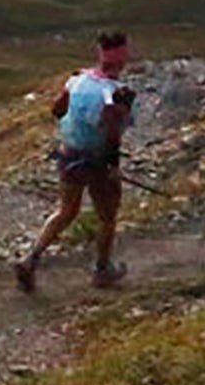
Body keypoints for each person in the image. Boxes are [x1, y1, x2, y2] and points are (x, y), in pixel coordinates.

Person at [15, 30, 135, 293]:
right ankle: (102, 270)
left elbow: (57, 110)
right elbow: (113, 132)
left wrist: (76, 127)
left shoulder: (77, 79)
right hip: (98, 161)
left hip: (69, 154)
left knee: (66, 210)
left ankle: (31, 259)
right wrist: (113, 166)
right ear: (122, 56)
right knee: (107, 216)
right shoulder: (119, 93)